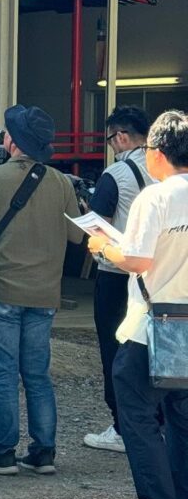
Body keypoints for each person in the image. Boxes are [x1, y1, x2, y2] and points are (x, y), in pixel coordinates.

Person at [0, 105, 84, 476]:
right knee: (37, 375)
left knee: (4, 374)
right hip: (44, 295)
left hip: (2, 290)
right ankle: (43, 452)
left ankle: (3, 450)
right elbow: (76, 235)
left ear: (12, 141)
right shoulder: (59, 182)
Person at [86, 109, 188, 499]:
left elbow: (138, 259)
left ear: (157, 151)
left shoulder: (157, 196)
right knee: (182, 418)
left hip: (151, 324)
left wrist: (104, 247)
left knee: (137, 416)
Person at [84, 106, 154, 453]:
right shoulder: (168, 169)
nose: (111, 145)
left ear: (122, 136)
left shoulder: (117, 173)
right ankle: (160, 422)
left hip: (118, 275)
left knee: (115, 350)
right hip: (160, 275)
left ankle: (122, 426)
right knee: (156, 349)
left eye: (110, 139)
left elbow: (96, 225)